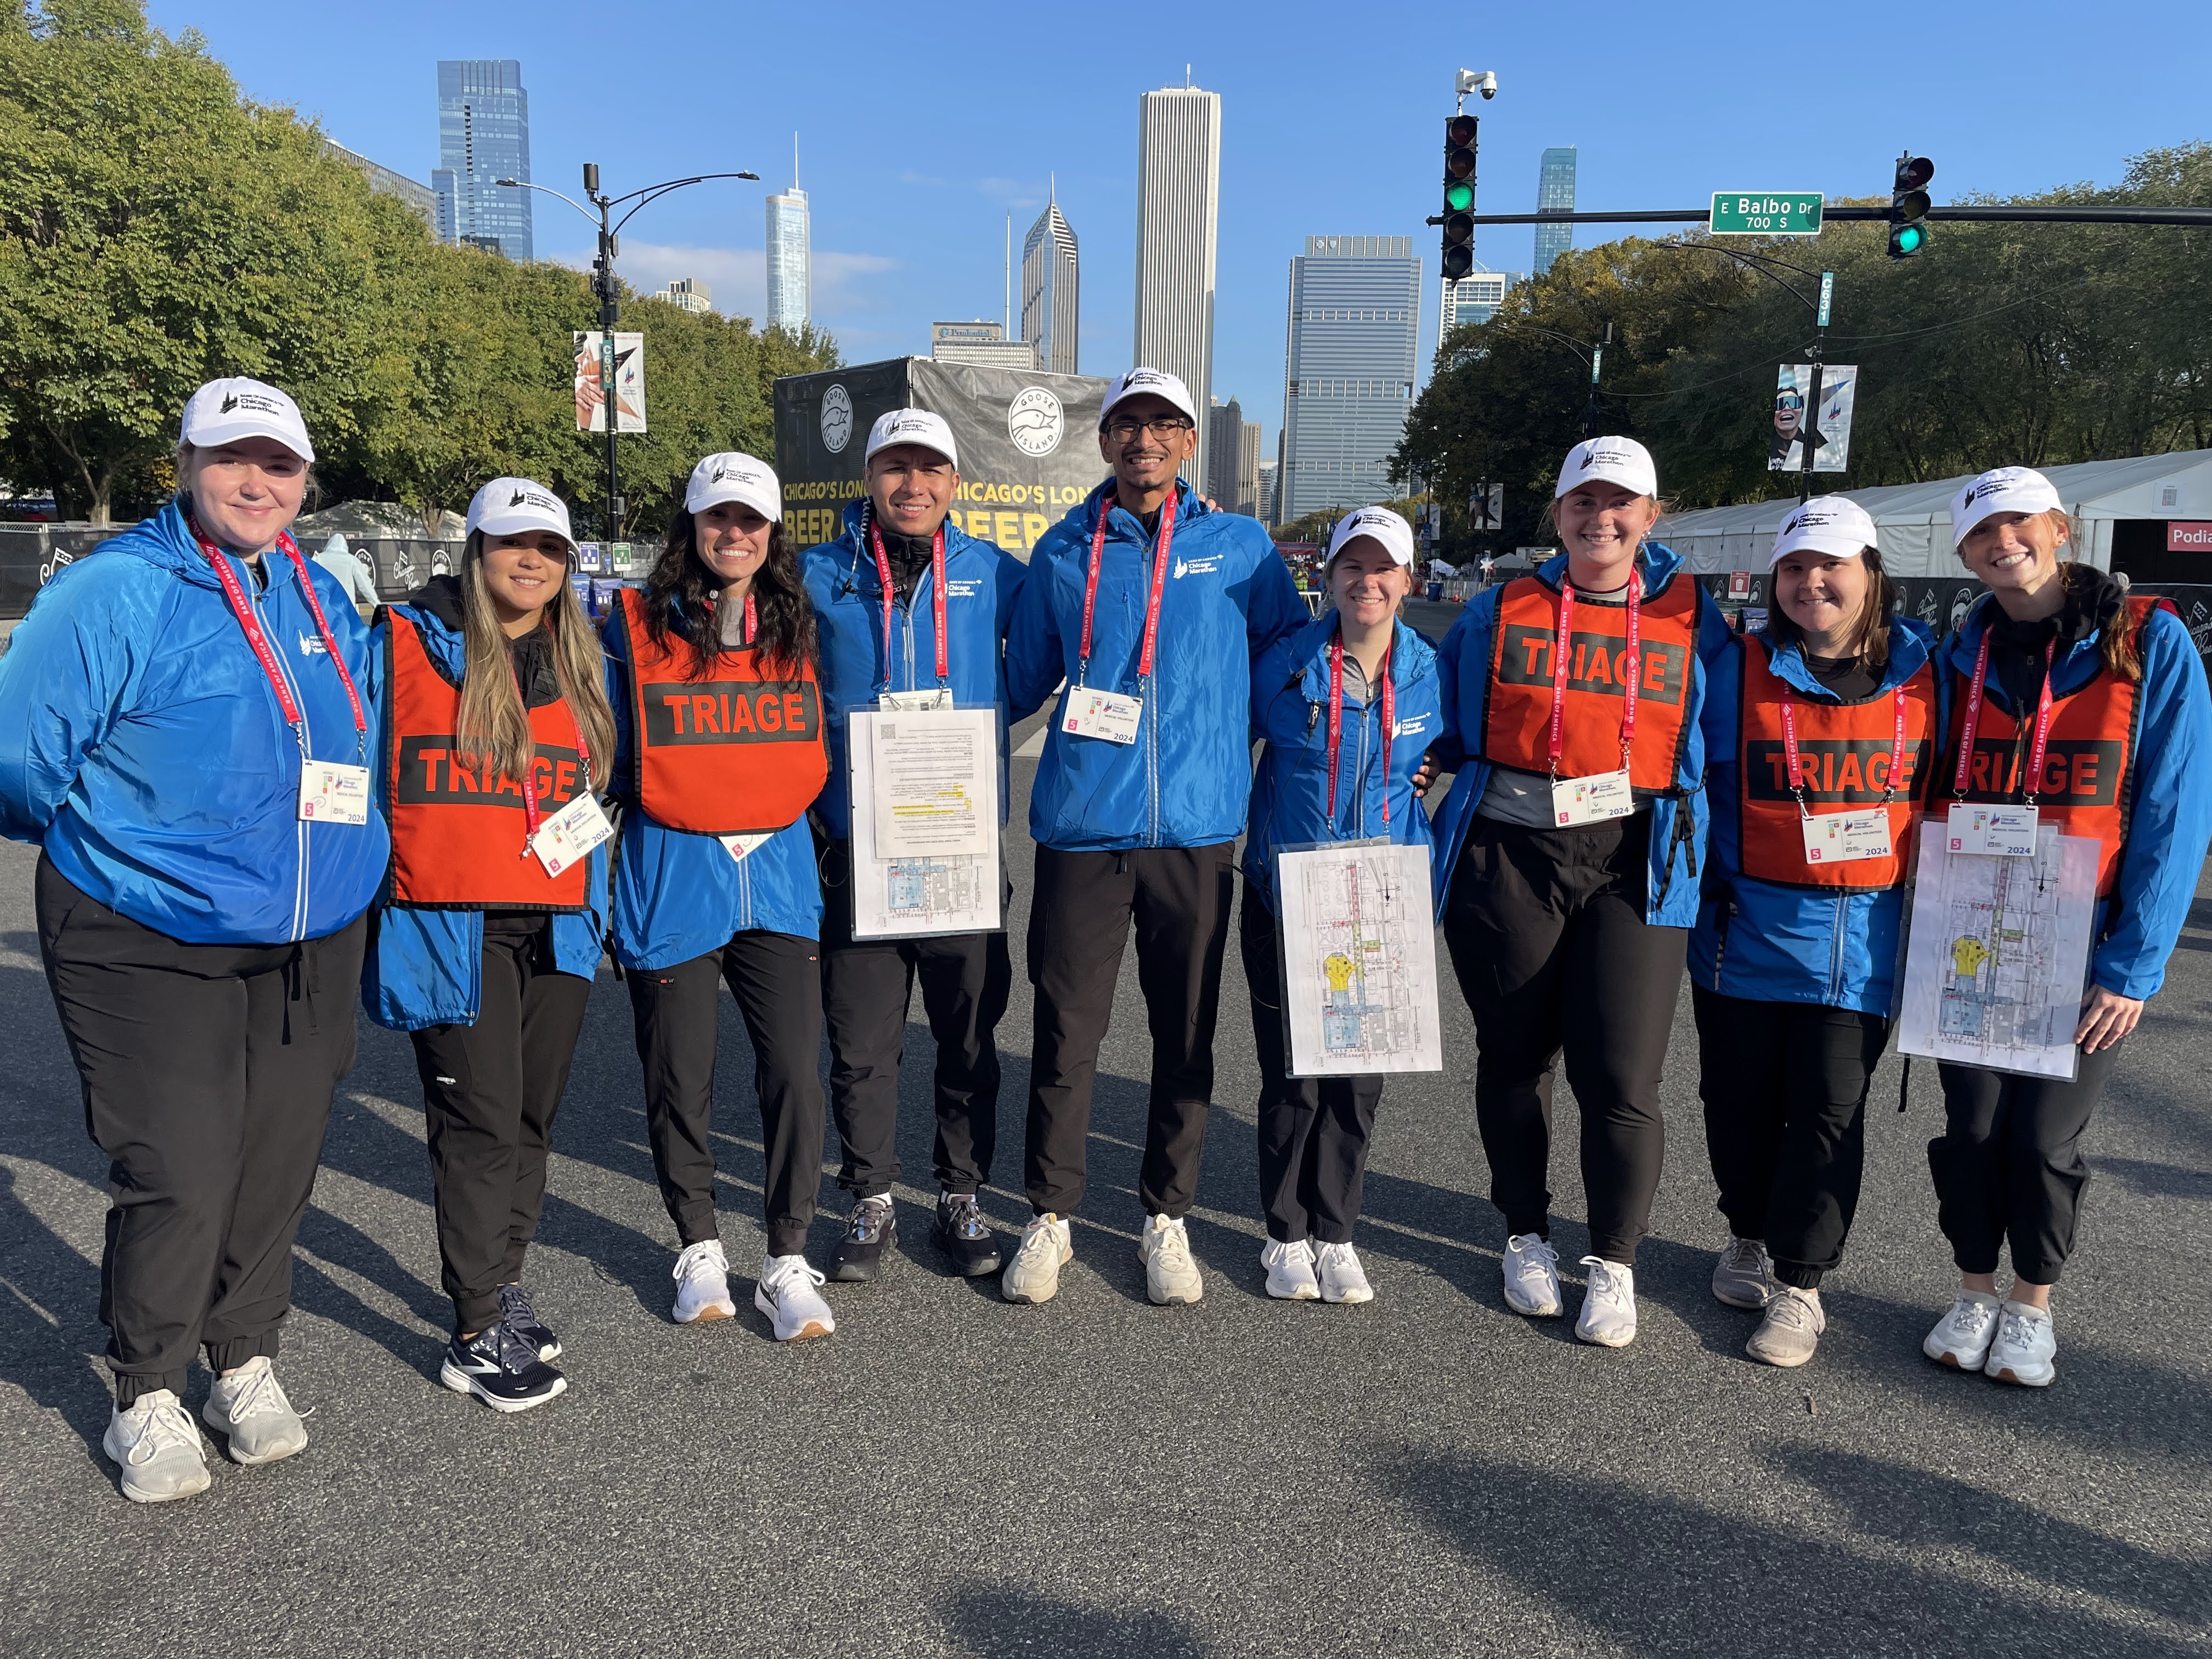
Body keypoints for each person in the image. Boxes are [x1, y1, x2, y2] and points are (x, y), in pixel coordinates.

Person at [0, 377, 386, 1502]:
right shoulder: (119, 590)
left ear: (308, 481)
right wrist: (142, 843)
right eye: (233, 459)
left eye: (280, 464)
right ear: (185, 464)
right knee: (179, 1164)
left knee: (275, 1161)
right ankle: (148, 1387)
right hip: (144, 926)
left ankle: (244, 1357)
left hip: (311, 931)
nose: (257, 482)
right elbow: (20, 762)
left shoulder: (317, 592)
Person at [1001, 367, 1307, 1306]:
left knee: (1184, 1035)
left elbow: (1295, 668)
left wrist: (1370, 750)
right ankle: (1049, 1213)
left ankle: (1163, 1216)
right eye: (1127, 423)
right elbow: (1018, 682)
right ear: (1104, 442)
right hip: (1083, 831)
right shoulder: (1061, 551)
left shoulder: (1241, 547)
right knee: (1065, 1032)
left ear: (1185, 442)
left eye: (1162, 424)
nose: (1143, 439)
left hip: (1197, 832)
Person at [1428, 437, 1733, 1346]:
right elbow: (1446, 723)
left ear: (1650, 514)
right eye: (1581, 502)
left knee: (1621, 1072)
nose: (1599, 518)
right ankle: (1524, 1229)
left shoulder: (1694, 615)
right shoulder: (1497, 609)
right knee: (1515, 1055)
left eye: (1620, 503)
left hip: (1640, 851)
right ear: (1557, 514)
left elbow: (1719, 739)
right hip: (1510, 849)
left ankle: (1614, 1259)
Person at [1920, 467, 2212, 1386]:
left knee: (2041, 1136)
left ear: (2059, 526)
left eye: (2018, 523)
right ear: (1963, 553)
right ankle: (1972, 1289)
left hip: (2084, 935)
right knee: (1969, 1129)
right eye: (1980, 533)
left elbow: (2175, 808)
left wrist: (2133, 965)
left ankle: (2031, 1303)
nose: (2001, 542)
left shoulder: (2149, 640)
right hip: (1968, 921)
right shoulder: (1955, 651)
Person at [362, 479, 616, 1411]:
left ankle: (502, 1277)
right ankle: (472, 1326)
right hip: (449, 916)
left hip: (556, 918)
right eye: (513, 542)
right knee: (477, 1118)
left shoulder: (578, 657)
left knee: (530, 1116)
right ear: (475, 550)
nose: (532, 560)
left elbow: (599, 788)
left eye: (549, 546)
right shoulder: (402, 640)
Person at [1691, 498, 1937, 1367]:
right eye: (1794, 568)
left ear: (1872, 575)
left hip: (1863, 946)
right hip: (1744, 936)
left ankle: (1802, 1285)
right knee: (1738, 1105)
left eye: (1832, 566)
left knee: (1830, 1113)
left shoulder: (1928, 675)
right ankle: (1749, 1235)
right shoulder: (1734, 667)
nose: (1812, 583)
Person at [603, 453, 837, 1342]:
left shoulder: (800, 627)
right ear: (691, 527)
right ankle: (697, 1242)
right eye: (718, 519)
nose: (733, 534)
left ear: (771, 535)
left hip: (775, 882)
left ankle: (785, 1254)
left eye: (750, 521)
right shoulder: (630, 623)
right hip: (673, 879)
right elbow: (599, 742)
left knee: (791, 1073)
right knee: (679, 1078)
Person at [803, 410, 1028, 1282]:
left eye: (930, 469)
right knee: (862, 1041)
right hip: (858, 845)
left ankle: (961, 1193)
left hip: (961, 844)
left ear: (955, 483)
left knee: (970, 1034)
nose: (913, 485)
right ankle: (869, 1197)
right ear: (870, 478)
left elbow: (1049, 661)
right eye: (895, 468)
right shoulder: (819, 575)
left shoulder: (994, 573)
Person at [1242, 507, 1444, 1305]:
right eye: (1352, 567)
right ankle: (1285, 1232)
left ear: (1407, 580)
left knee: (1359, 1079)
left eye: (1383, 567)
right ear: (1326, 577)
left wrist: (1430, 779)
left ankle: (1338, 1229)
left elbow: (1460, 744)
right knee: (1293, 1074)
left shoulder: (1431, 669)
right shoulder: (1284, 664)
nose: (1367, 581)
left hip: (1382, 899)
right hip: (1289, 890)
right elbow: (1234, 739)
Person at [316, 530, 380, 613]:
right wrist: (377, 605)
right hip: (347, 607)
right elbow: (365, 586)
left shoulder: (319, 558)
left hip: (325, 607)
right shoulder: (351, 560)